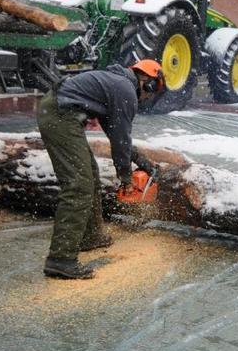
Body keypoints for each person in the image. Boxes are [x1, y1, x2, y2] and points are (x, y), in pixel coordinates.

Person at [39, 59, 164, 279]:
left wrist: (141, 161)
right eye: (151, 93)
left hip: (59, 111)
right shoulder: (126, 90)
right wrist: (126, 176)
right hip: (60, 116)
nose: (147, 98)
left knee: (91, 175)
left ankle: (92, 236)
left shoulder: (117, 84)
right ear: (149, 83)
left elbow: (116, 134)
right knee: (78, 186)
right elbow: (121, 138)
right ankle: (60, 259)